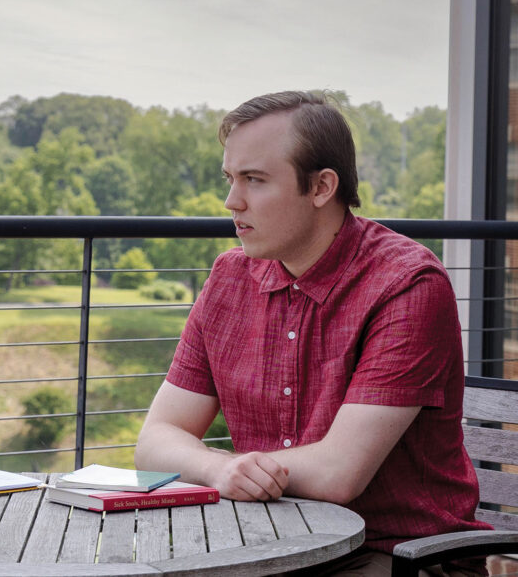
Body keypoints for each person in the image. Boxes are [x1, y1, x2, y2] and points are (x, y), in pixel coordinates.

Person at [135, 90, 491, 575]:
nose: (231, 200)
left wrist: (234, 469)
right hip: (268, 543)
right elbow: (156, 439)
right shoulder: (229, 280)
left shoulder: (406, 284)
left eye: (255, 180)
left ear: (322, 187)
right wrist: (220, 468)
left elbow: (336, 474)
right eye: (231, 178)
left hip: (399, 556)